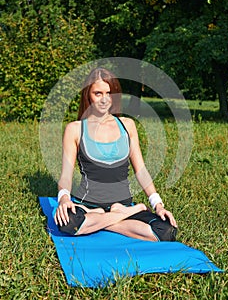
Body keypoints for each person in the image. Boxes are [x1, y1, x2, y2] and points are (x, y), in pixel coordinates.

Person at [55, 67, 178, 241]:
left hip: (122, 205)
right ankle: (128, 212)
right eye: (98, 93)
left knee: (166, 230)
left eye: (109, 93)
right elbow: (66, 175)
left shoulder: (127, 126)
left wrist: (157, 205)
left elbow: (141, 170)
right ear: (87, 95)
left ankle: (100, 220)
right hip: (87, 205)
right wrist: (64, 199)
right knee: (67, 222)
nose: (104, 99)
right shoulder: (75, 129)